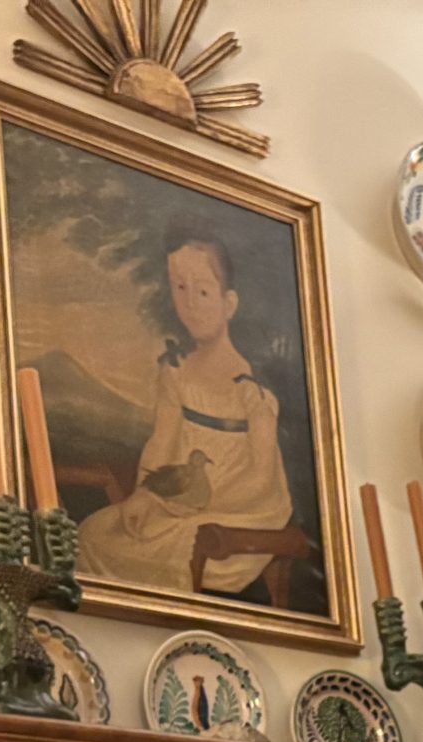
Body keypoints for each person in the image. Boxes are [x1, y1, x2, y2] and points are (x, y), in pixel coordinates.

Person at [76, 228, 297, 598]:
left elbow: (261, 480)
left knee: (174, 547)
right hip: (174, 502)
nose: (190, 303)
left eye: (203, 291)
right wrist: (147, 494)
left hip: (239, 509)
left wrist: (187, 506)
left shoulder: (251, 388)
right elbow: (162, 442)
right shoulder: (175, 370)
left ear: (229, 304)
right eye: (180, 288)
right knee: (95, 533)